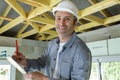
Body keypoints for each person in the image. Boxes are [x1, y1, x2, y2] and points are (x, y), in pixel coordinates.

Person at [12, 0, 92, 80]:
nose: (61, 23)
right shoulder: (52, 45)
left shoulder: (81, 50)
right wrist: (25, 62)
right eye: (58, 18)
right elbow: (41, 63)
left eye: (67, 19)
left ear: (75, 23)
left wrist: (44, 79)